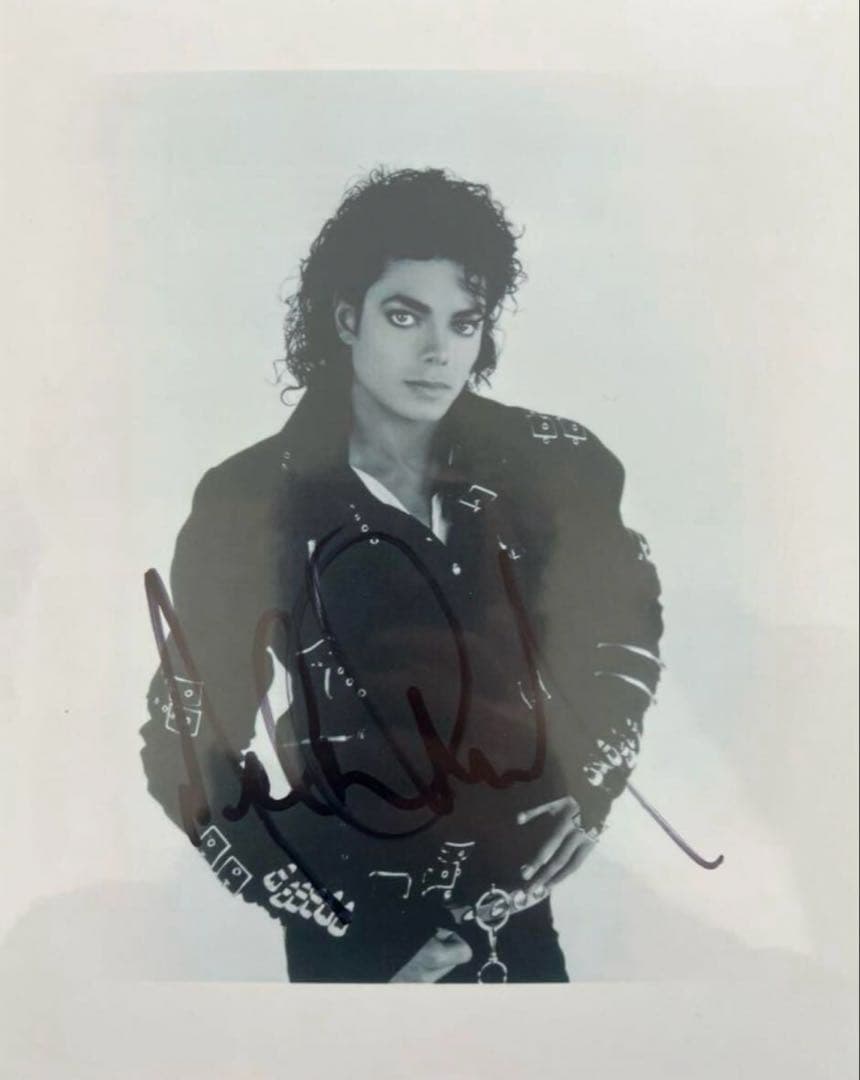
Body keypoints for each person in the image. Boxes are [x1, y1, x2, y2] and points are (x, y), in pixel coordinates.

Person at [140, 166, 664, 983]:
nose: (437, 352)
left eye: (464, 322)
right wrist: (300, 886)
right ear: (347, 317)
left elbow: (620, 623)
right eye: (404, 315)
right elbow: (186, 734)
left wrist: (593, 776)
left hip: (512, 915)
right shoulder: (252, 498)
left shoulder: (551, 465)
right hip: (356, 929)